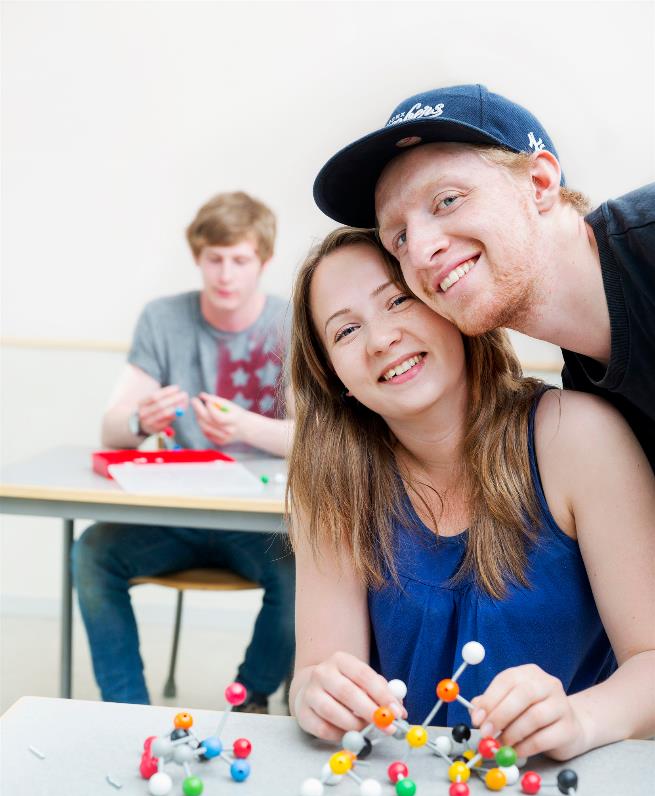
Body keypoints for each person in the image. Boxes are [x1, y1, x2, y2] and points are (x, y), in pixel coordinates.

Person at [287, 227, 654, 760]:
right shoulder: (335, 485)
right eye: (345, 332)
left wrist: (579, 718)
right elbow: (316, 673)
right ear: (334, 376)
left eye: (398, 301)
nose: (380, 339)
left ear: (447, 307)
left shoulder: (575, 435)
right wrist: (312, 697)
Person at [313, 84, 654, 471]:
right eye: (401, 238)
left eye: (448, 200)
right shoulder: (596, 401)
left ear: (539, 182)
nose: (422, 252)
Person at [73, 191, 295, 712]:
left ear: (262, 261)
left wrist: (248, 428)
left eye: (239, 260)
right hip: (174, 513)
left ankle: (252, 700)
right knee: (91, 552)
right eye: (214, 259)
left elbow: (317, 438)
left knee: (307, 570)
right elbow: (112, 430)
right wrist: (139, 420)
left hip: (263, 521)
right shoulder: (163, 319)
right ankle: (126, 710)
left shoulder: (291, 323)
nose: (225, 274)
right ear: (197, 257)